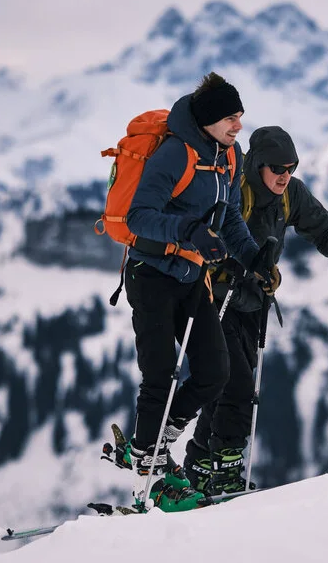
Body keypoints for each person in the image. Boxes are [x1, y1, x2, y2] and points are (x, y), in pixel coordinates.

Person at [183, 125, 328, 496]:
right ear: (257, 165)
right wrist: (233, 262)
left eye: (291, 167)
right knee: (237, 386)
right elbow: (201, 236)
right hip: (213, 298)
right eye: (277, 168)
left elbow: (322, 231)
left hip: (252, 304)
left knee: (223, 387)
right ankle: (224, 475)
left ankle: (197, 470)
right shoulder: (229, 189)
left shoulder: (290, 194)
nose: (284, 175)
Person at [121, 72, 265, 509]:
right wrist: (189, 231)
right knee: (160, 372)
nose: (238, 125)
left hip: (191, 278)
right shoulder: (174, 154)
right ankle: (147, 474)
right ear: (206, 120)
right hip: (152, 275)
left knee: (214, 373)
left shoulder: (230, 156)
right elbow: (138, 217)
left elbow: (233, 217)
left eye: (240, 116)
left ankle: (154, 440)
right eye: (229, 117)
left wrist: (253, 257)